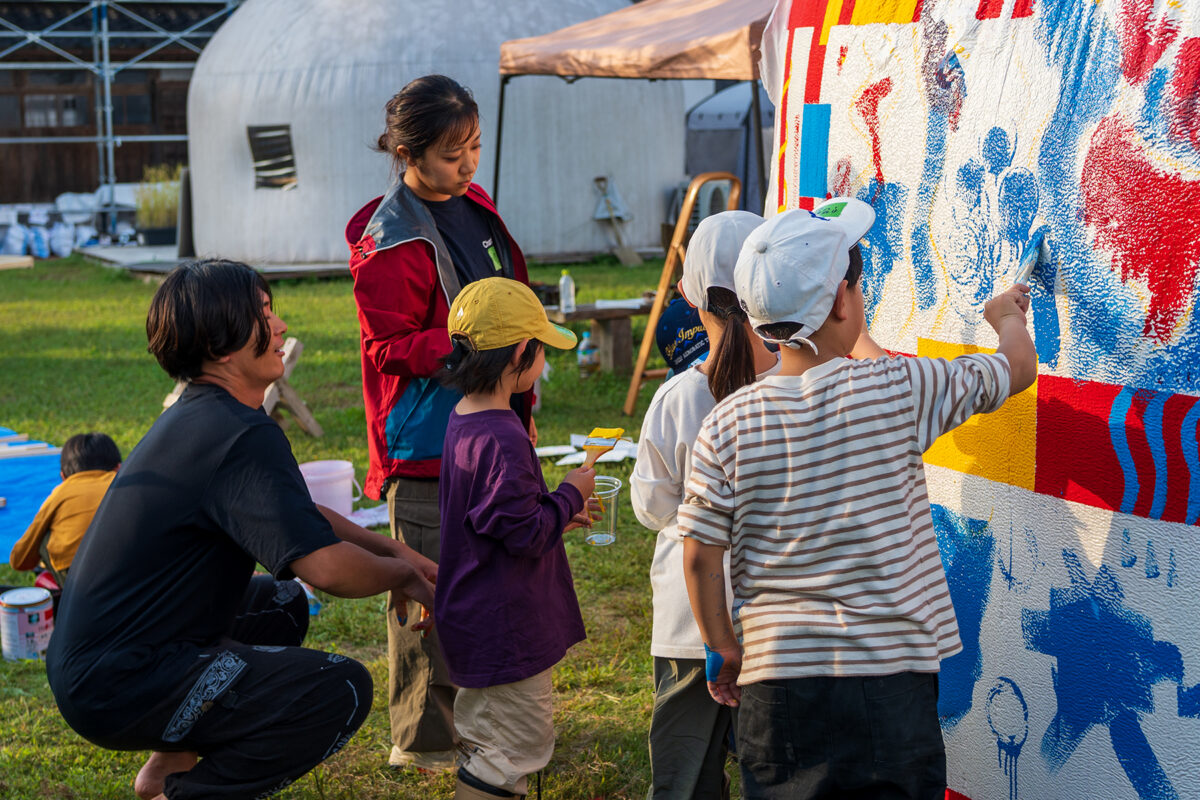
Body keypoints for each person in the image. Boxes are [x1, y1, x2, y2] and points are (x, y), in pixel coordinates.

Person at [680, 205, 1037, 800]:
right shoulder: (900, 390)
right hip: (890, 689)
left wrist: (722, 645)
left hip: (778, 692)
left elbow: (699, 558)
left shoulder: (727, 424)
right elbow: (1017, 368)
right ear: (845, 302)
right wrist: (1005, 318)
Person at [45, 259, 438, 800]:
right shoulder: (237, 432)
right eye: (262, 316)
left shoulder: (205, 415)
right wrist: (402, 575)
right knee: (339, 690)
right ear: (222, 346)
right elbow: (324, 568)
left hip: (98, 665)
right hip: (120, 683)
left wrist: (397, 552)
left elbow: (299, 515)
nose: (279, 327)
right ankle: (184, 795)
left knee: (281, 603)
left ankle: (170, 759)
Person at [346, 73, 534, 772]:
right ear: (405, 150)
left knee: (485, 576)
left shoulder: (476, 206)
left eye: (475, 148)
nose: (468, 165)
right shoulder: (388, 239)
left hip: (492, 416)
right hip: (426, 440)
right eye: (453, 154)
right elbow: (384, 348)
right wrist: (454, 348)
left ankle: (477, 715)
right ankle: (421, 736)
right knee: (424, 585)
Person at [435, 277, 595, 800]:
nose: (543, 360)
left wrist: (556, 512)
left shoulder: (466, 419)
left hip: (479, 620)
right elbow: (524, 534)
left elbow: (496, 521)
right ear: (521, 353)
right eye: (541, 349)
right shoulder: (504, 436)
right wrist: (571, 491)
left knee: (492, 741)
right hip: (504, 630)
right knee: (506, 756)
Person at [9, 432, 121, 580]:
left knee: (44, 537)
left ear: (63, 476)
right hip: (132, 570)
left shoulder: (61, 492)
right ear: (118, 468)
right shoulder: (127, 484)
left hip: (79, 581)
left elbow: (19, 560)